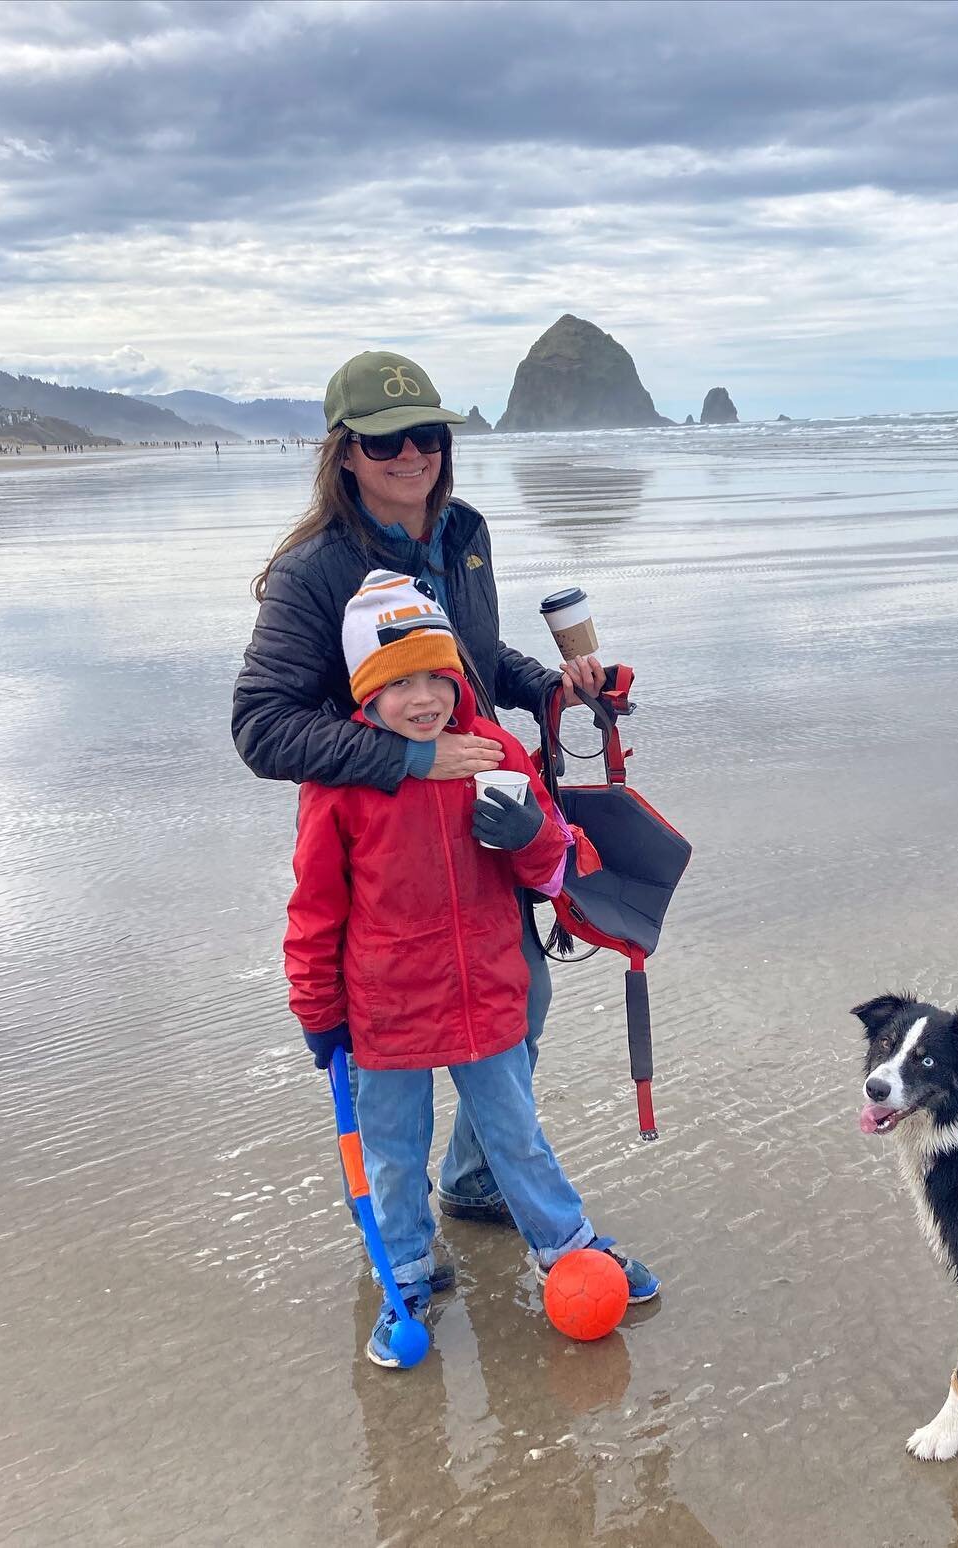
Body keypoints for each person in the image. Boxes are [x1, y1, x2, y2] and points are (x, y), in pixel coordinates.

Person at [233, 349, 613, 1225]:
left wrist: (557, 688)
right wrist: (410, 760)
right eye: (386, 440)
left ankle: (477, 1177)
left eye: (429, 434)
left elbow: (470, 664)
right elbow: (259, 725)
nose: (413, 454)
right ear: (346, 453)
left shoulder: (464, 531)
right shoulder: (313, 573)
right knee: (385, 1060)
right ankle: (397, 1239)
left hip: (484, 823)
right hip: (377, 851)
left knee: (522, 996)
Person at [287, 574, 658, 1365]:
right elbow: (314, 909)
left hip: (487, 991)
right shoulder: (339, 785)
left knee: (517, 1137)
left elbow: (558, 866)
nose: (422, 699)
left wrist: (530, 832)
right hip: (384, 1011)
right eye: (398, 683)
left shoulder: (495, 750)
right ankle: (407, 1276)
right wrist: (318, 1011)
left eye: (437, 677)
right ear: (365, 690)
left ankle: (569, 1246)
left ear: (459, 674)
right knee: (391, 1154)